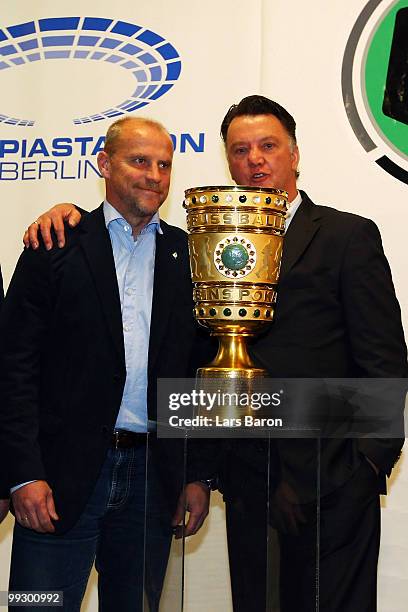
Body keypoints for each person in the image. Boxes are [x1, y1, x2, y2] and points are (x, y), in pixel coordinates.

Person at [25, 96, 408, 612]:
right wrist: (207, 472)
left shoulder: (346, 236)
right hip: (245, 485)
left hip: (331, 489)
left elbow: (385, 366)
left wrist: (359, 472)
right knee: (42, 602)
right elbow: (190, 362)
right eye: (240, 151)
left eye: (268, 147)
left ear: (295, 154)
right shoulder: (199, 246)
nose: (255, 161)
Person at [0, 116, 215, 611]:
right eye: (140, 161)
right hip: (57, 482)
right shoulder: (54, 243)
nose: (154, 175)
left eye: (164, 164)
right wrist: (22, 473)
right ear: (104, 164)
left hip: (151, 484)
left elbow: (198, 372)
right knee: (39, 606)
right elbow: (13, 368)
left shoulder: (190, 257)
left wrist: (196, 473)